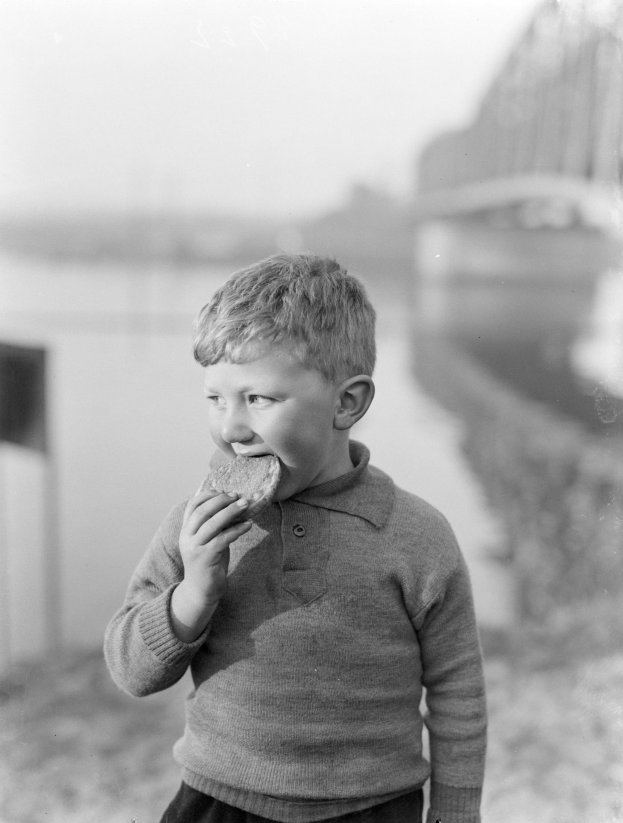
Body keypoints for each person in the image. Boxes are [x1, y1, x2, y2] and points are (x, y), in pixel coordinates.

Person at [104, 254, 487, 823]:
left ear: (346, 403)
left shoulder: (415, 535)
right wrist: (191, 596)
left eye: (258, 398)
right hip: (219, 803)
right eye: (215, 398)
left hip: (372, 809)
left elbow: (458, 691)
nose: (230, 427)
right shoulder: (197, 526)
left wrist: (455, 811)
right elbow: (131, 672)